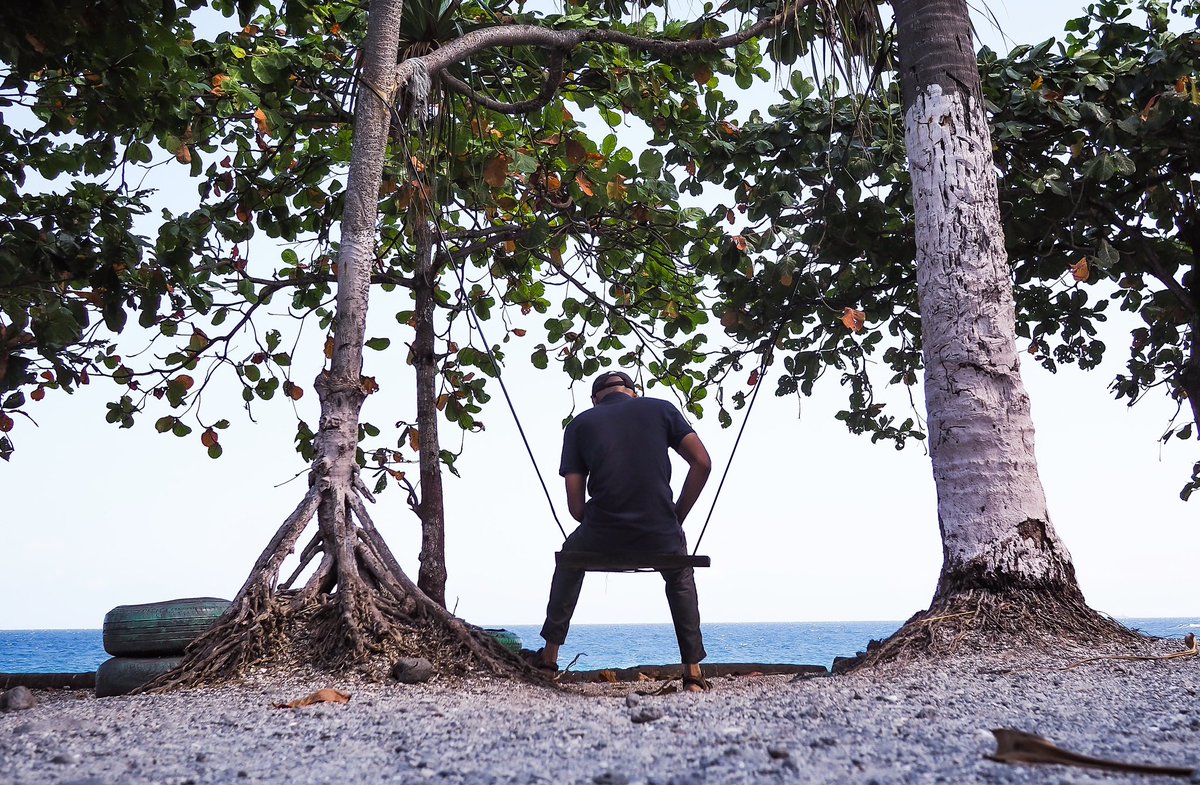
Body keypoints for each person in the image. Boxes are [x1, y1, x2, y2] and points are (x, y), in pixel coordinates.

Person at [531, 370, 713, 691]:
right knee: (679, 575)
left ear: (594, 400)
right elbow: (702, 463)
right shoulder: (662, 409)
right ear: (634, 392)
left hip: (601, 536)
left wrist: (604, 521)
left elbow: (576, 509)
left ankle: (548, 660)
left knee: (570, 559)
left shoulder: (579, 425)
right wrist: (675, 518)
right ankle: (693, 673)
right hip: (660, 533)